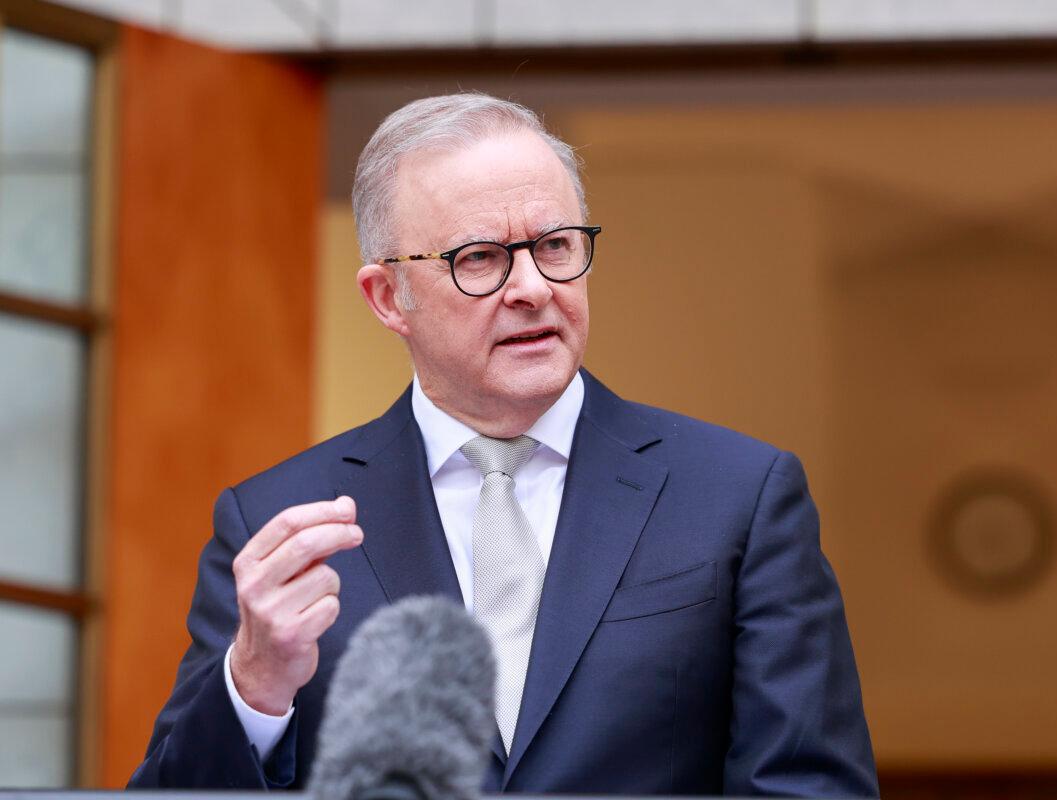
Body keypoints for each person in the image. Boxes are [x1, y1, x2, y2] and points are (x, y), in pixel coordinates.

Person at [130, 93, 878, 797]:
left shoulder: (738, 496)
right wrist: (254, 686)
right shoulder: (278, 522)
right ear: (389, 298)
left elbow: (809, 785)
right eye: (481, 258)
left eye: (555, 245)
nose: (533, 287)